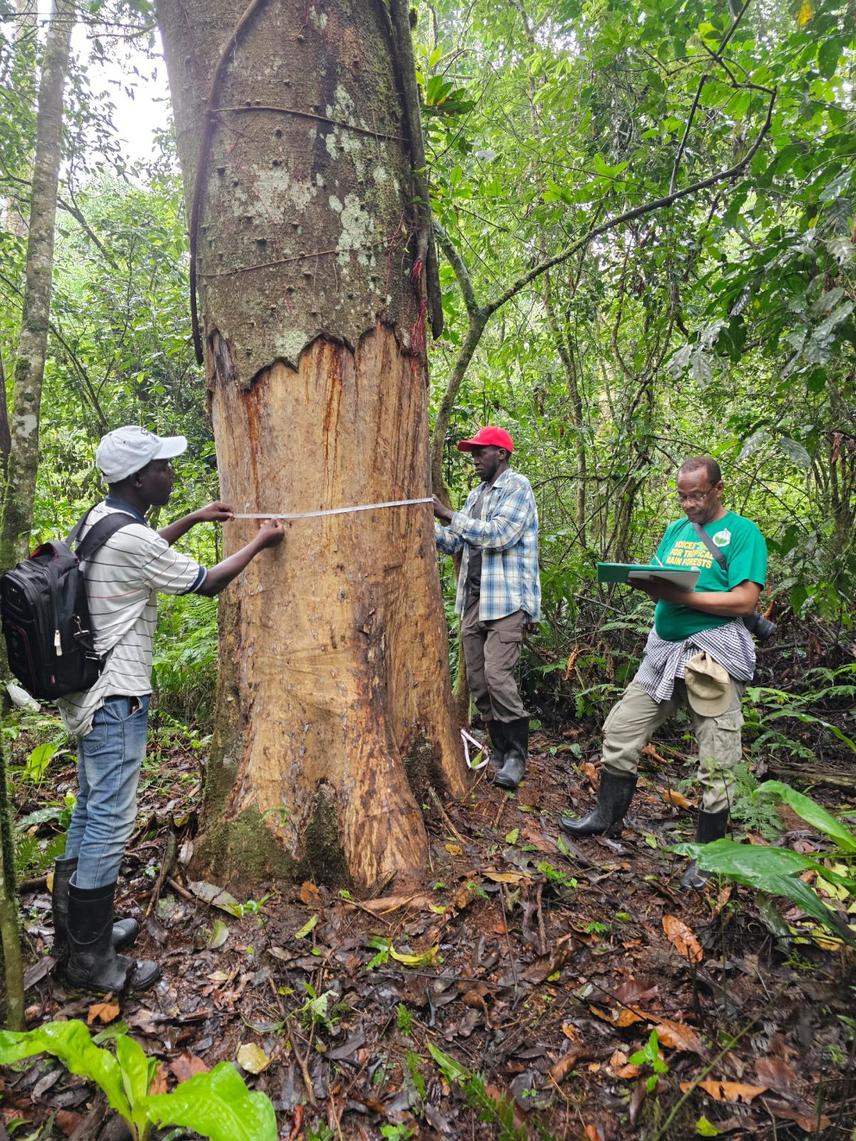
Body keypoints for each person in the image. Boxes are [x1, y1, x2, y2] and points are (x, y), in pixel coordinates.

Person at [53, 426, 284, 994]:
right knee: (108, 821)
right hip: (118, 699)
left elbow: (145, 544)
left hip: (88, 697)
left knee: (89, 810)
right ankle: (90, 961)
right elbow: (205, 583)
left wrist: (196, 518)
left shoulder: (98, 521)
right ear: (138, 477)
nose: (170, 473)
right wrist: (259, 542)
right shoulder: (132, 540)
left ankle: (78, 934)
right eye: (163, 466)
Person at [559, 457, 768, 887]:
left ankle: (708, 857)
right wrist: (645, 582)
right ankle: (606, 816)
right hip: (663, 650)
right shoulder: (676, 530)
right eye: (682, 495)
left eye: (697, 494)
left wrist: (684, 599)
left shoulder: (744, 534)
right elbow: (663, 575)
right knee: (621, 729)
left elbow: (745, 601)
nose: (689, 503)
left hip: (713, 653)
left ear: (717, 489)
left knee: (717, 758)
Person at [433, 427, 540, 791]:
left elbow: (500, 534)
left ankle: (515, 755)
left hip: (507, 601)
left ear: (502, 454)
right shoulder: (475, 495)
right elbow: (454, 542)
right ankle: (497, 748)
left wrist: (447, 514)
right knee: (478, 681)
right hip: (474, 601)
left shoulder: (517, 487)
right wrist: (426, 522)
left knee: (497, 676)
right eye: (473, 452)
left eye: (482, 451)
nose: (475, 458)